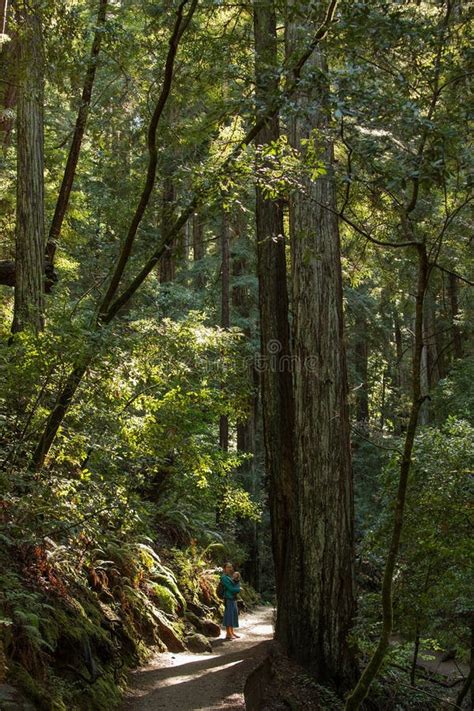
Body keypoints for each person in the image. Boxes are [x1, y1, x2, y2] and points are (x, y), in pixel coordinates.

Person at [220, 562, 241, 640]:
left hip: (233, 598)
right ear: (224, 569)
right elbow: (231, 589)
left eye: (231, 567)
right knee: (229, 615)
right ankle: (228, 634)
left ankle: (232, 632)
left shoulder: (228, 577)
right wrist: (239, 589)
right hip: (228, 599)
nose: (230, 569)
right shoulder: (224, 578)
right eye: (228, 567)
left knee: (233, 615)